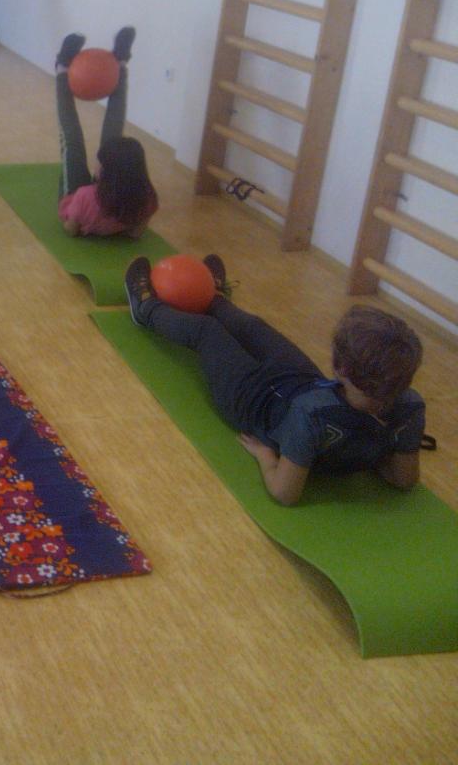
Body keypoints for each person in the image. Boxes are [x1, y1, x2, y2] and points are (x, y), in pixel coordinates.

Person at [124, 254, 426, 506]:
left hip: (250, 398)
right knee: (253, 327)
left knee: (206, 332)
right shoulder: (409, 405)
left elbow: (285, 493)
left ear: (340, 367)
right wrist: (366, 448)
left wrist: (266, 455)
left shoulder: (313, 415)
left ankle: (147, 309)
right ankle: (213, 298)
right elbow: (404, 479)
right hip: (302, 383)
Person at [55, 29, 158, 238]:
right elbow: (136, 234)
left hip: (78, 197)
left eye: (99, 163)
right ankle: (117, 63)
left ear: (103, 171)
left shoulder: (83, 196)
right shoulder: (147, 198)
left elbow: (71, 229)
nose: (96, 164)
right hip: (108, 194)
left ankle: (64, 67)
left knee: (72, 141)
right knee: (81, 139)